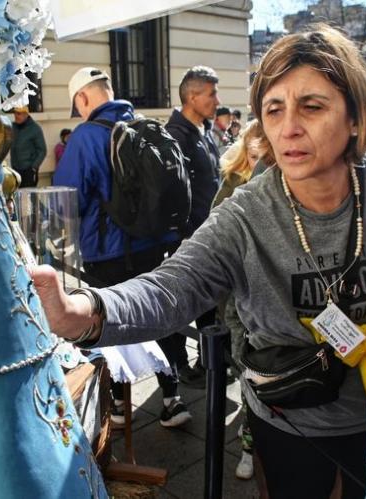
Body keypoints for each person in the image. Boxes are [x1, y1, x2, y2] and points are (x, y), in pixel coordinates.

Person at [32, 26, 366, 499]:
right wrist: (84, 312)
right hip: (290, 421)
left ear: (354, 117)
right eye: (274, 109)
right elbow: (173, 287)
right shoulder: (246, 213)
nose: (289, 126)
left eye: (312, 106)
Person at [53, 67, 191, 427]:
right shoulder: (143, 125)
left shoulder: (84, 138)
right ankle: (173, 397)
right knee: (159, 313)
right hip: (153, 243)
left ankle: (116, 403)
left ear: (83, 98)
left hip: (108, 252)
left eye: (77, 105)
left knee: (110, 321)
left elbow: (67, 201)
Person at [211, 120, 264, 480]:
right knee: (246, 373)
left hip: (272, 300)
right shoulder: (232, 182)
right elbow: (212, 229)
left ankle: (254, 442)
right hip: (237, 299)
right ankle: (249, 443)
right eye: (254, 149)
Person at [165, 65, 223, 387]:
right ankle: (178, 366)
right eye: (211, 93)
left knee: (208, 302)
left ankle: (207, 360)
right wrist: (185, 232)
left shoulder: (205, 131)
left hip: (209, 232)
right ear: (191, 97)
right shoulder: (176, 136)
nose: (217, 100)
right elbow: (173, 192)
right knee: (181, 301)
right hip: (188, 238)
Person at [10, 106, 46, 187]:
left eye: (19, 113)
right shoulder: (13, 127)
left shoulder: (35, 129)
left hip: (28, 170)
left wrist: (33, 167)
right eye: (15, 113)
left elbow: (42, 150)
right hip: (15, 170)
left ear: (25, 114)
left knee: (29, 197)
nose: (16, 116)